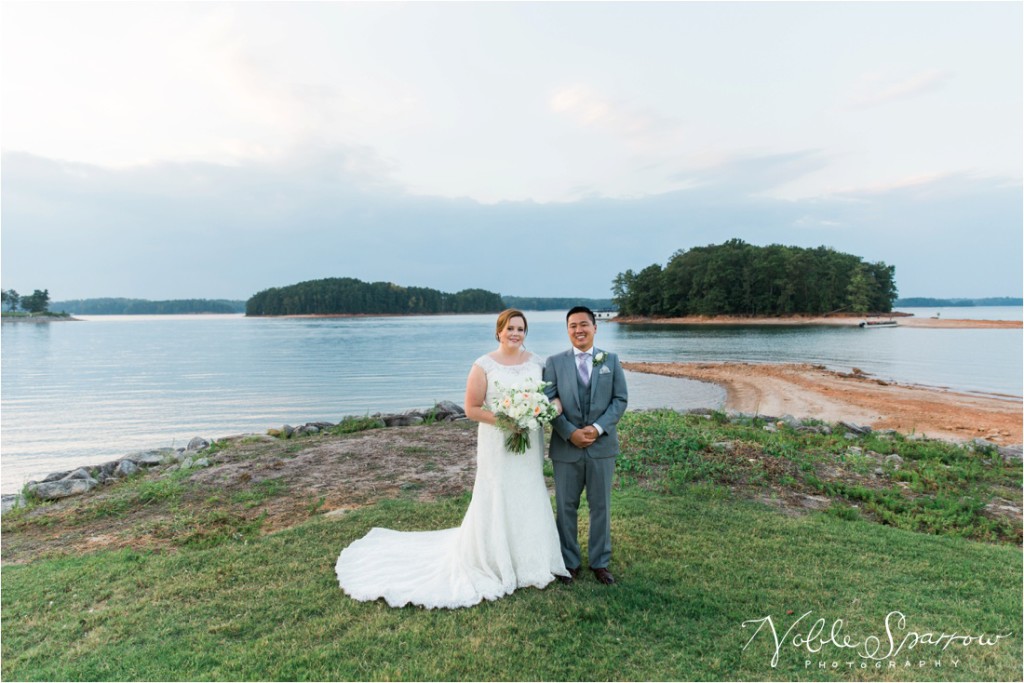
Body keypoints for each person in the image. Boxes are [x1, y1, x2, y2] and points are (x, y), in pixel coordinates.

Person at [335, 309, 568, 608]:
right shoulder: (483, 365)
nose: (515, 334)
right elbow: (471, 409)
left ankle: (533, 560)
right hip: (498, 440)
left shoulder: (537, 362)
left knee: (528, 489)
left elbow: (550, 397)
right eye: (510, 328)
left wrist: (543, 411)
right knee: (498, 492)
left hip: (528, 440)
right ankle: (495, 559)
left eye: (521, 329)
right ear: (498, 331)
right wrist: (506, 421)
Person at [543, 306, 628, 585]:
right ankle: (569, 562)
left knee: (600, 506)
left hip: (601, 448)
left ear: (595, 327)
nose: (578, 330)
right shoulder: (554, 363)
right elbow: (548, 403)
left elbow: (620, 400)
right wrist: (569, 433)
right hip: (566, 448)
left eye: (584, 325)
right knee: (566, 506)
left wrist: (597, 428)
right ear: (567, 330)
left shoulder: (611, 361)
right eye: (572, 326)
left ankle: (600, 563)